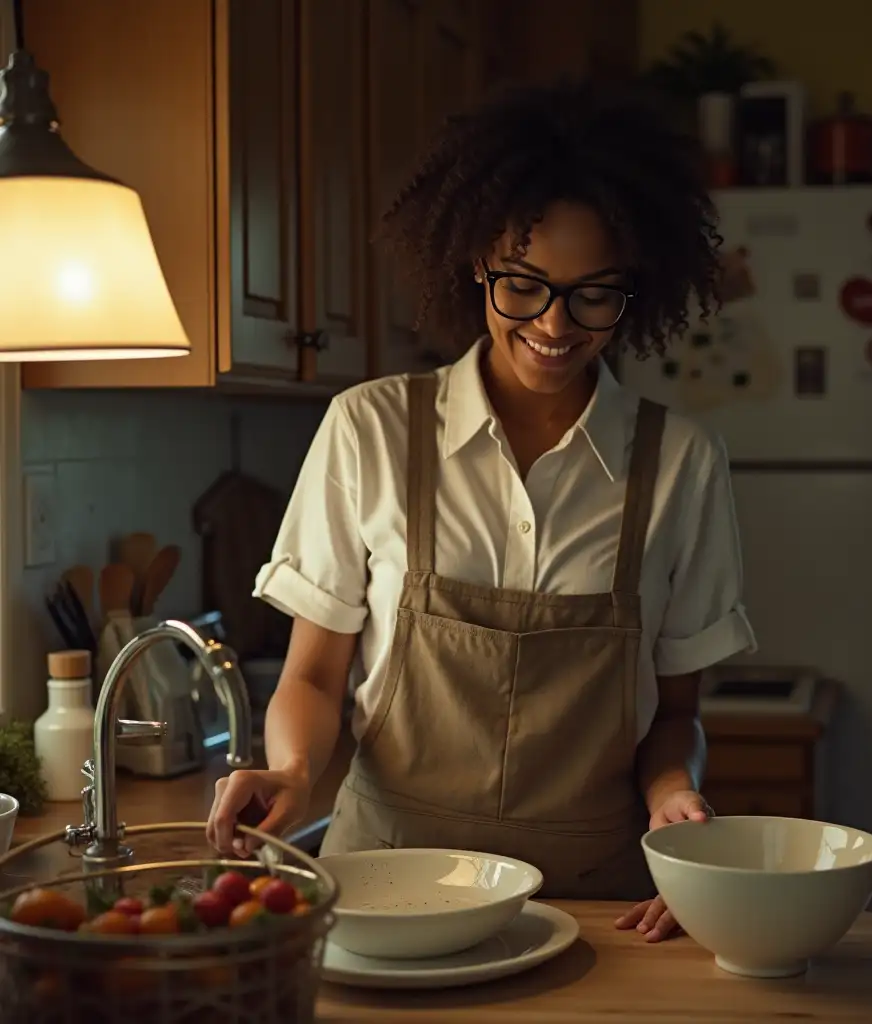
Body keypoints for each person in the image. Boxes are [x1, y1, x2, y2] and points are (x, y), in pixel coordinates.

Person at [206, 80, 756, 944]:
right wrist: (293, 770)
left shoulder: (682, 462)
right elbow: (313, 675)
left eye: (593, 294)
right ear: (475, 264)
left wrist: (672, 796)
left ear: (633, 290)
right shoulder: (371, 429)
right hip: (384, 881)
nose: (555, 324)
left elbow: (676, 712)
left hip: (592, 900)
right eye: (525, 286)